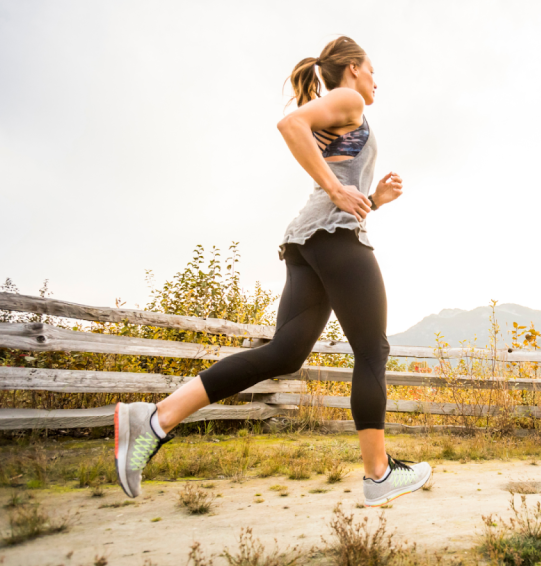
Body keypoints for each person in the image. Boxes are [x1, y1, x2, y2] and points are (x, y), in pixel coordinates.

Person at [113, 36, 431, 508]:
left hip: (309, 239)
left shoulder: (341, 107)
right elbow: (290, 125)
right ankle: (379, 474)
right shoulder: (347, 98)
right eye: (371, 70)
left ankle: (155, 419)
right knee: (371, 349)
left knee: (285, 353)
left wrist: (371, 201)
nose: (376, 81)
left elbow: (338, 187)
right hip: (331, 237)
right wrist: (339, 191)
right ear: (353, 69)